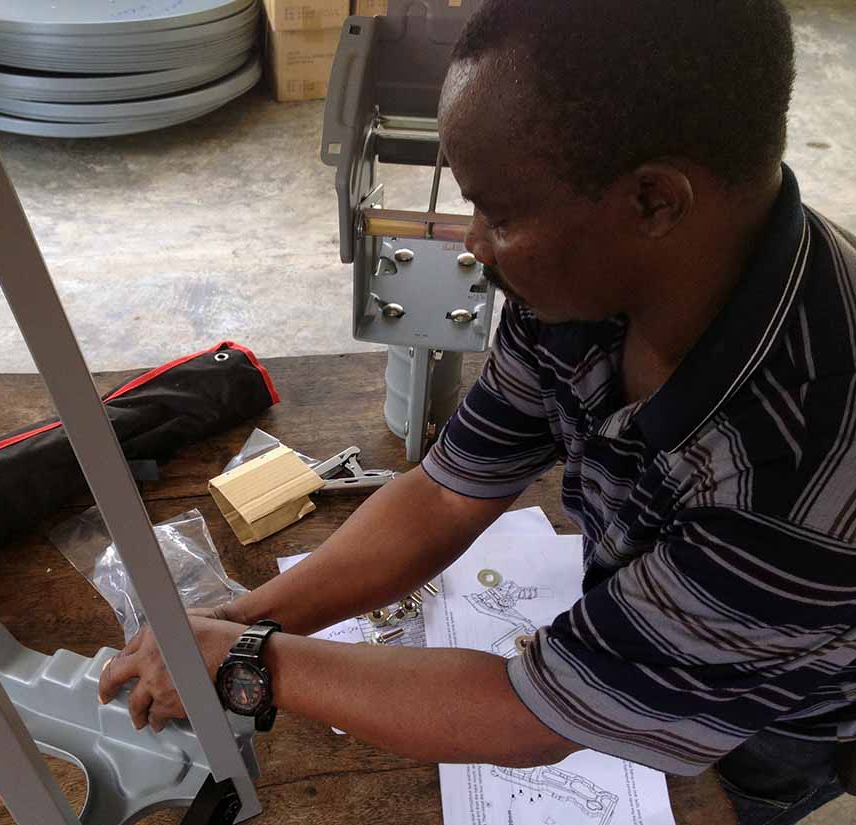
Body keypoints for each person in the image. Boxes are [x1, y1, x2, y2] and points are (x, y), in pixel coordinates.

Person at [99, 1, 856, 822]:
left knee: (750, 784)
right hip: (679, 604)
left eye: (498, 213)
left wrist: (255, 663)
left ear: (652, 203)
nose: (473, 243)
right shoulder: (588, 276)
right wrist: (241, 619)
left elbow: (533, 712)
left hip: (797, 703)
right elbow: (448, 491)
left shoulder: (798, 477)